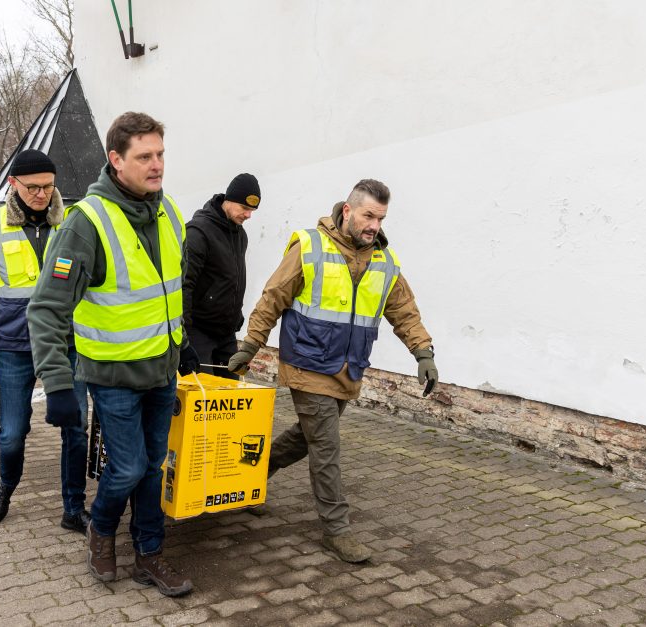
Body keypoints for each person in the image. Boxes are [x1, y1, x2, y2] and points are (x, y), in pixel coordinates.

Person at [28, 112, 197, 597]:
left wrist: (181, 345)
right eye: (145, 156)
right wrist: (58, 384)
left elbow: (167, 291)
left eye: (160, 154)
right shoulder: (87, 223)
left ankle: (149, 554)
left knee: (151, 467)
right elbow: (45, 309)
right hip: (113, 375)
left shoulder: (169, 213)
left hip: (162, 372)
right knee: (126, 468)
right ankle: (101, 530)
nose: (157, 164)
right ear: (116, 160)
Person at [227, 179, 438, 564]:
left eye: (381, 217)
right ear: (347, 211)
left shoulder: (383, 261)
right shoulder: (310, 247)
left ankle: (249, 478)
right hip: (306, 362)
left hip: (347, 368)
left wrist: (423, 353)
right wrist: (249, 347)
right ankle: (336, 529)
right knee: (326, 446)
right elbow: (273, 297)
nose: (374, 225)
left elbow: (404, 310)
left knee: (306, 438)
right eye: (368, 215)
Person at [0, 149, 92, 532]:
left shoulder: (76, 222)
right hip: (15, 345)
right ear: (13, 184)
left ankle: (73, 506)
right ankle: (6, 485)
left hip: (68, 343)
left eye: (48, 186)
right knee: (12, 431)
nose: (42, 194)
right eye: (33, 188)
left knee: (76, 427)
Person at [183, 173, 261, 379]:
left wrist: (236, 314)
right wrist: (184, 335)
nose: (248, 215)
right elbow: (184, 286)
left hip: (226, 333)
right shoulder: (198, 232)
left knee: (231, 392)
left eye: (252, 210)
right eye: (244, 208)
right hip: (199, 332)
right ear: (229, 200)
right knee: (202, 396)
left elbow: (232, 278)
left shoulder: (239, 234)